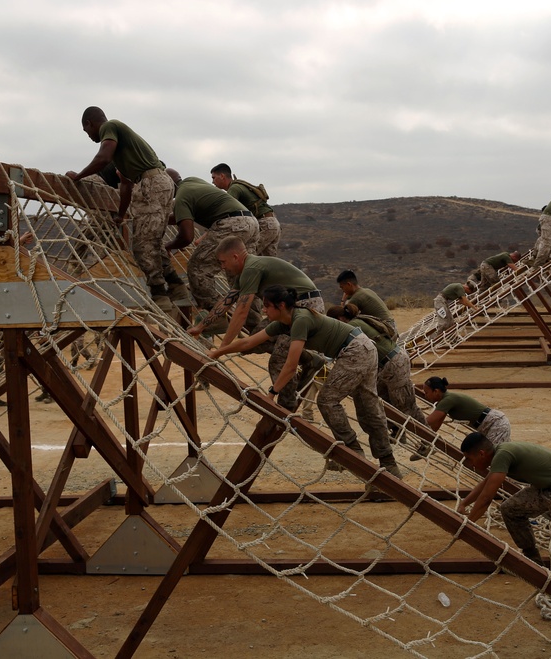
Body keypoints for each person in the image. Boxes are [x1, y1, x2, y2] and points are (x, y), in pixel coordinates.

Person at [209, 286, 403, 478]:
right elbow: (249, 342)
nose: (263, 310)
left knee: (328, 400)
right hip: (363, 347)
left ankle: (352, 450)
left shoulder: (300, 320)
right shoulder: (283, 323)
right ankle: (388, 463)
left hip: (355, 350)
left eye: (267, 306)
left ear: (281, 305)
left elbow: (291, 365)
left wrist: (272, 393)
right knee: (367, 406)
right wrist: (217, 352)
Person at [458, 433, 551, 607]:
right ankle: (534, 561)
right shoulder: (500, 454)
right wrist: (465, 502)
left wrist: (466, 525)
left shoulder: (503, 454)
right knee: (511, 509)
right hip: (546, 489)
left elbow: (487, 498)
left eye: (469, 458)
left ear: (482, 454)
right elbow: (487, 482)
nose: (469, 463)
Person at [189, 236, 325, 411]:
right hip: (287, 309)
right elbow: (227, 302)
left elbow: (241, 311)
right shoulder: (245, 272)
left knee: (278, 360)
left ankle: (286, 407)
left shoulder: (251, 268)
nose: (223, 267)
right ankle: (309, 358)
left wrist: (221, 349)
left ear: (235, 257)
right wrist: (200, 327)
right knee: (249, 345)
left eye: (223, 262)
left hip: (304, 307)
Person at [65, 107, 177, 315]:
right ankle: (175, 285)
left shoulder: (110, 127)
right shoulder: (126, 156)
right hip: (154, 185)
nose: (89, 136)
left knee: (142, 244)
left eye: (86, 130)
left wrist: (77, 176)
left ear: (90, 123)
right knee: (151, 239)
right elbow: (125, 185)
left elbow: (103, 158)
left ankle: (160, 294)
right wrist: (120, 214)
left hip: (150, 185)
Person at [328, 304, 431, 460]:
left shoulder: (351, 326)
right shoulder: (358, 321)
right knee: (380, 398)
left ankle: (428, 441)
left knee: (406, 406)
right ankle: (397, 430)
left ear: (340, 319)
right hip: (389, 365)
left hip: (394, 364)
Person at [164, 171, 260, 311]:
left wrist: (169, 246)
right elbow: (181, 215)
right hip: (250, 222)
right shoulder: (193, 181)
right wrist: (163, 219)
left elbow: (186, 237)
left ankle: (215, 316)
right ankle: (253, 321)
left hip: (231, 224)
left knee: (198, 269)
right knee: (241, 275)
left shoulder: (181, 197)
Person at [211, 163, 282, 257]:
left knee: (246, 258)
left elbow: (225, 211)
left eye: (214, 178)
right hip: (272, 224)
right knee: (267, 262)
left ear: (222, 176)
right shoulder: (239, 185)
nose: (213, 182)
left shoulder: (234, 189)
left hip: (264, 224)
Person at [420, 377, 510, 447]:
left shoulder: (448, 400)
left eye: (426, 392)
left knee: (494, 455)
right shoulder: (445, 401)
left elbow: (428, 421)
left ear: (436, 391)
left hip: (495, 423)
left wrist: (409, 421)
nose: (425, 396)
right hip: (489, 425)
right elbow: (435, 426)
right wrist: (427, 441)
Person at [337, 270, 397, 337]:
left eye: (342, 287)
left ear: (349, 284)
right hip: (392, 325)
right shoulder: (366, 290)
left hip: (386, 329)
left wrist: (343, 300)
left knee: (352, 324)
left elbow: (344, 316)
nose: (342, 290)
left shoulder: (356, 298)